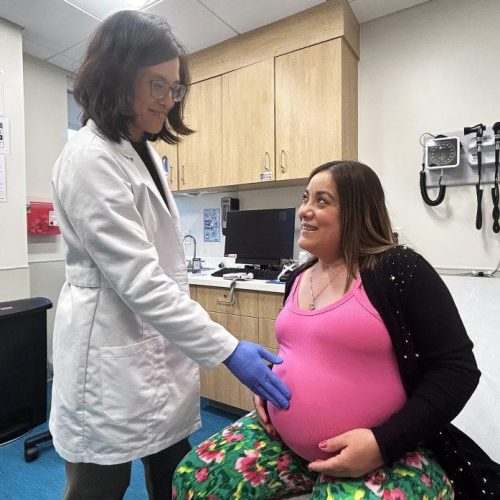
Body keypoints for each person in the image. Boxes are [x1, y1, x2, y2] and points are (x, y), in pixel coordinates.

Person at [49, 10, 290, 500]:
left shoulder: (143, 151)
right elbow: (140, 280)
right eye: (156, 84)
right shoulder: (88, 159)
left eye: (174, 87)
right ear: (117, 79)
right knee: (101, 481)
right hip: (108, 358)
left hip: (157, 350)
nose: (168, 99)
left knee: (176, 473)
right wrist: (228, 349)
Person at [173, 160, 500, 499]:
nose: (304, 211)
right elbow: (305, 352)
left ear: (356, 211)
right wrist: (270, 382)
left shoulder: (399, 269)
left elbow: (457, 370)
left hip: (385, 451)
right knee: (192, 478)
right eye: (305, 198)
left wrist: (381, 444)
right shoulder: (297, 278)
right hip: (283, 440)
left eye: (322, 201)